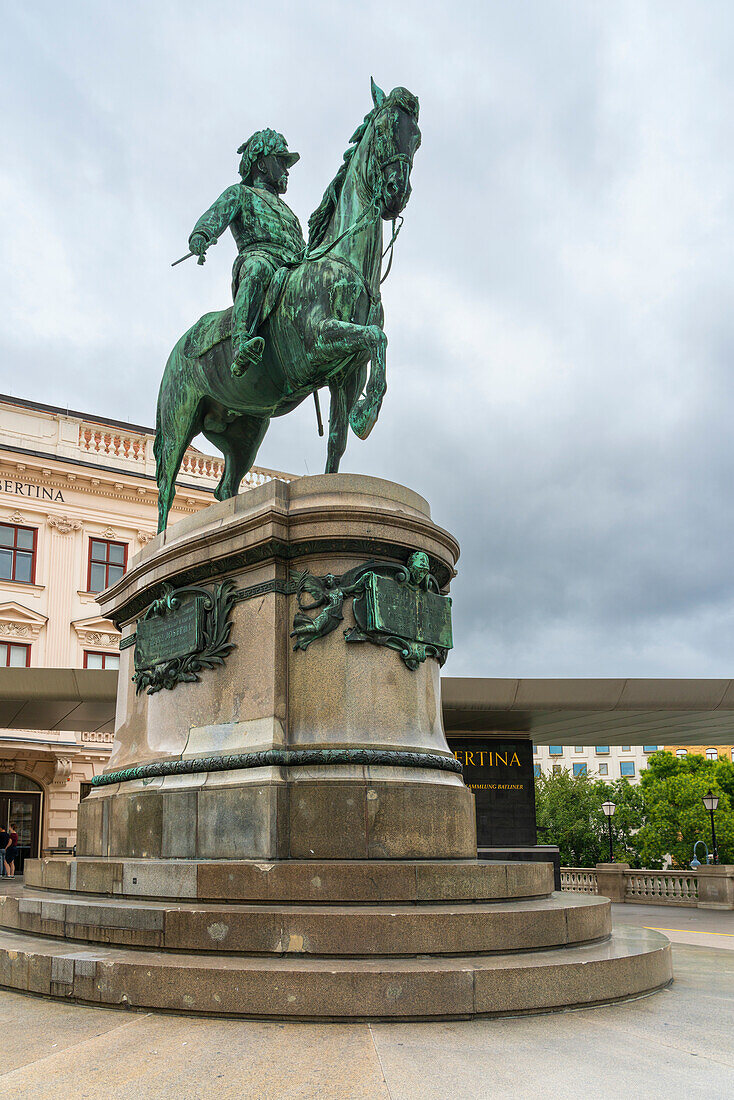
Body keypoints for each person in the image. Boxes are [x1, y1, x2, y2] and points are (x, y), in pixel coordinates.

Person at [188, 129, 305, 377]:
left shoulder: (290, 213)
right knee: (256, 268)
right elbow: (215, 216)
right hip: (259, 257)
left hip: (291, 266)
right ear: (262, 164)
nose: (286, 170)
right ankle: (241, 342)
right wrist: (201, 234)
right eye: (281, 161)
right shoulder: (241, 194)